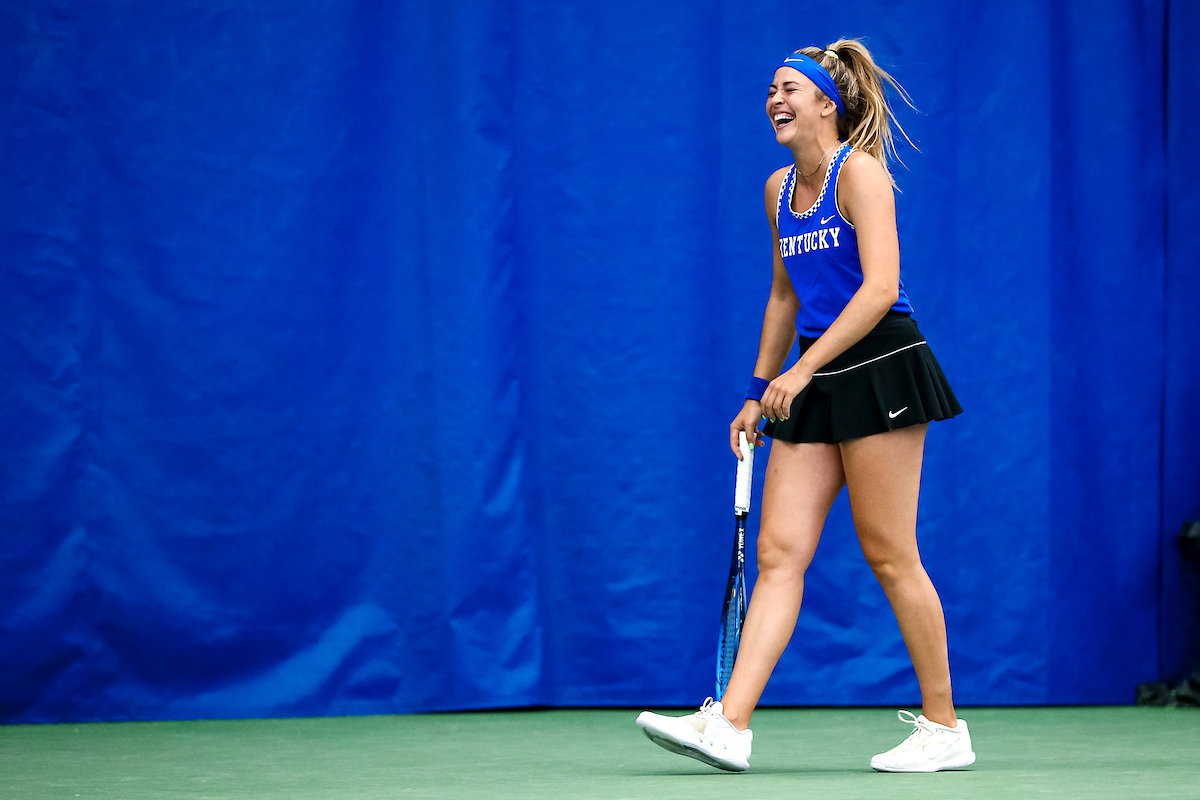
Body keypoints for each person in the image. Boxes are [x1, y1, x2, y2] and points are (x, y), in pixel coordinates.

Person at [636, 39, 974, 773]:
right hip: (813, 375)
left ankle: (946, 728)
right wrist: (759, 391)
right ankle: (729, 724)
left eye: (789, 89)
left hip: (881, 363)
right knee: (778, 552)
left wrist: (804, 371)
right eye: (769, 91)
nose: (774, 101)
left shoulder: (865, 177)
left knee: (890, 555)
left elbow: (881, 288)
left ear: (828, 103)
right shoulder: (776, 190)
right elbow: (785, 296)